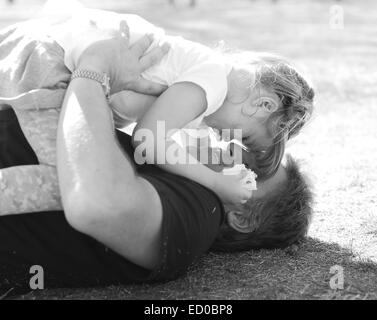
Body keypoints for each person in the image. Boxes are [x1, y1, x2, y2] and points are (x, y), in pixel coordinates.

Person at [0, 33, 313, 295]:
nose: (231, 148)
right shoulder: (188, 167)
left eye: (249, 171)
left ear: (242, 218)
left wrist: (93, 69)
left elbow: (100, 205)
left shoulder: (200, 212)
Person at [0, 8, 314, 215]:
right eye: (242, 135)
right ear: (263, 105)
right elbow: (148, 140)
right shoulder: (213, 82)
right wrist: (217, 183)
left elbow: (156, 129)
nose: (223, 138)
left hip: (46, 50)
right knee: (75, 179)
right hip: (53, 63)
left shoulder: (202, 79)